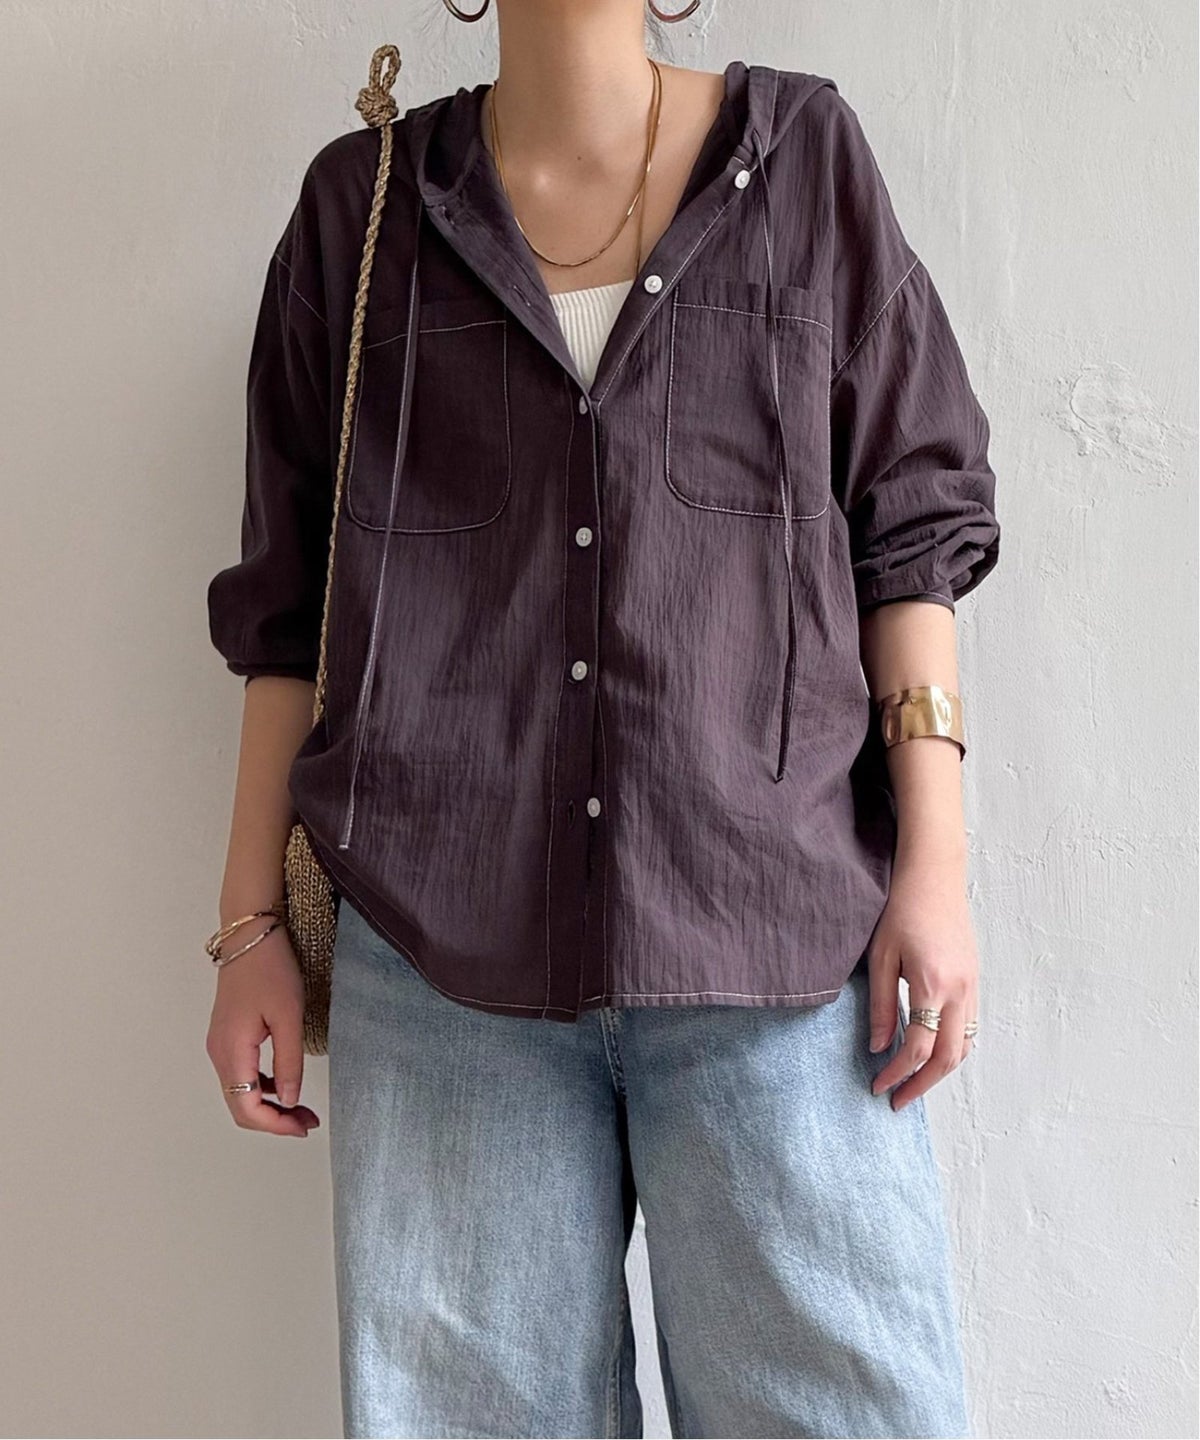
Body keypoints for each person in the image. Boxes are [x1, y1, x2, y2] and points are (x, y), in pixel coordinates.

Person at [204, 3, 1000, 1436]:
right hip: (441, 968)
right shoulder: (360, 210)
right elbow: (286, 610)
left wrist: (935, 868)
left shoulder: (803, 158)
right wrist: (249, 924)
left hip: (772, 948)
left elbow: (912, 532)